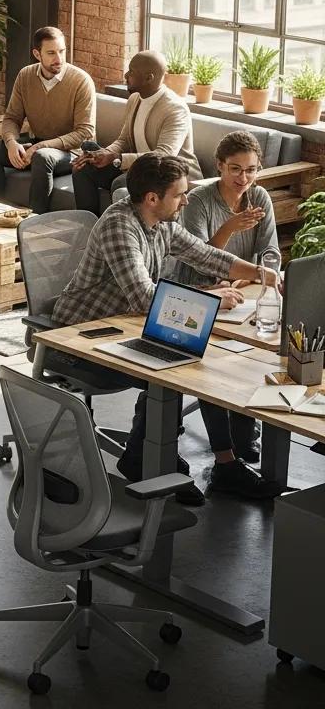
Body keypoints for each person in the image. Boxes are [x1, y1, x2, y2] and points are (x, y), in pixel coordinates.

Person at [49, 154, 281, 505]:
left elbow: (207, 256)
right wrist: (209, 296)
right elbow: (144, 297)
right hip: (81, 335)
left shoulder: (162, 223)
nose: (186, 201)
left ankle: (222, 464)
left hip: (127, 324)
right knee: (178, 371)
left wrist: (265, 275)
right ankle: (148, 459)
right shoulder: (119, 226)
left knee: (201, 358)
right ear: (152, 198)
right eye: (180, 194)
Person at [173, 131, 279, 498]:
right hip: (199, 293)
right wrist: (230, 227)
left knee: (260, 353)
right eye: (235, 169)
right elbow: (198, 259)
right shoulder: (200, 201)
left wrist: (251, 280)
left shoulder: (259, 197)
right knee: (211, 367)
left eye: (251, 170)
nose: (243, 178)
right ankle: (226, 460)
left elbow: (269, 255)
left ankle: (243, 437)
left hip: (242, 294)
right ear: (219, 166)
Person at [0, 26, 96, 213]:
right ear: (37, 54)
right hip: (37, 144)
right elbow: (12, 118)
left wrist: (40, 147)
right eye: (51, 53)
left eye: (62, 51)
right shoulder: (25, 76)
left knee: (42, 157)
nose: (59, 59)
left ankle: (35, 221)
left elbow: (85, 133)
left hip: (71, 153)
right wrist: (11, 143)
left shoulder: (81, 81)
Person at [71, 50, 200, 215]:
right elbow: (124, 140)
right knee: (83, 168)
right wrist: (104, 154)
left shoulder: (174, 109)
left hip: (169, 175)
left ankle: (122, 229)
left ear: (149, 78)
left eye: (131, 72)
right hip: (139, 169)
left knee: (122, 183)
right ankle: (89, 224)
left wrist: (118, 158)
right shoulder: (135, 99)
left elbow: (164, 156)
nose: (126, 75)